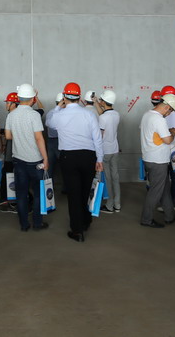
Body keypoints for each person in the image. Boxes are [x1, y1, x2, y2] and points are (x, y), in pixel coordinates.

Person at [50, 82, 103, 242]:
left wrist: (58, 107)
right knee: (86, 191)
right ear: (79, 98)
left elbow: (49, 122)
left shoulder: (59, 115)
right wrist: (100, 159)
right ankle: (86, 221)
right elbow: (97, 138)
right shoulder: (89, 114)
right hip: (89, 156)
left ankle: (77, 231)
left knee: (74, 194)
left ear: (64, 97)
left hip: (69, 158)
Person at [5, 83, 50, 232]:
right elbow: (39, 138)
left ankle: (24, 224)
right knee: (37, 193)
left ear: (19, 98)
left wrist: (20, 136)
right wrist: (46, 158)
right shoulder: (34, 115)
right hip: (35, 161)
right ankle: (37, 223)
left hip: (18, 160)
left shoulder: (11, 115)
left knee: (21, 194)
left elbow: (8, 136)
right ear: (32, 99)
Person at [139, 93, 175, 228]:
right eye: (171, 111)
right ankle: (146, 219)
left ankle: (169, 215)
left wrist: (168, 131)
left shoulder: (147, 115)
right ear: (167, 107)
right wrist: (173, 133)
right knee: (155, 191)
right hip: (158, 160)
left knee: (164, 189)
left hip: (149, 158)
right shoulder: (159, 119)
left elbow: (153, 133)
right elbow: (167, 140)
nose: (170, 114)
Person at [97, 90, 121, 213]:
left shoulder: (102, 117)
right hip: (115, 149)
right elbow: (105, 114)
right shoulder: (116, 114)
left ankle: (109, 205)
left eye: (101, 100)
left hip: (105, 151)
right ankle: (117, 204)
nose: (100, 101)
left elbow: (100, 136)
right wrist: (96, 102)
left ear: (104, 102)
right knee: (115, 177)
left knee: (108, 179)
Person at [0, 92, 19, 210]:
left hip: (12, 153)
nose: (6, 105)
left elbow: (9, 135)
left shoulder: (12, 116)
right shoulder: (18, 115)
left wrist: (4, 134)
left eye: (8, 102)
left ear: (13, 104)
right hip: (14, 151)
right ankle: (9, 199)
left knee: (8, 175)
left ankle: (8, 199)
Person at [44, 93, 63, 180]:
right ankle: (65, 186)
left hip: (50, 141)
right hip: (61, 141)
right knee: (64, 165)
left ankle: (48, 185)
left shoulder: (50, 112)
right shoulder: (64, 113)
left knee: (50, 165)